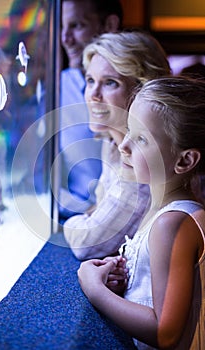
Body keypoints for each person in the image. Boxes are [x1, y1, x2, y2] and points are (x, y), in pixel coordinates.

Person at [77, 76, 205, 349]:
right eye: (128, 130)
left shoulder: (172, 224)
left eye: (141, 138)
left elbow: (165, 333)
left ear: (184, 160)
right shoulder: (160, 213)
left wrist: (94, 288)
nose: (123, 146)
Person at [63, 30, 171, 260]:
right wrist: (91, 216)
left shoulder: (142, 165)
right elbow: (99, 209)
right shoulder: (112, 142)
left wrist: (72, 223)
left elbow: (88, 244)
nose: (93, 94)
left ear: (143, 90)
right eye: (90, 80)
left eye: (110, 83)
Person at [58, 0, 123, 222]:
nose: (65, 39)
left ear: (109, 25)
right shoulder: (52, 91)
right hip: (75, 221)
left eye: (76, 25)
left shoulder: (145, 93)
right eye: (61, 27)